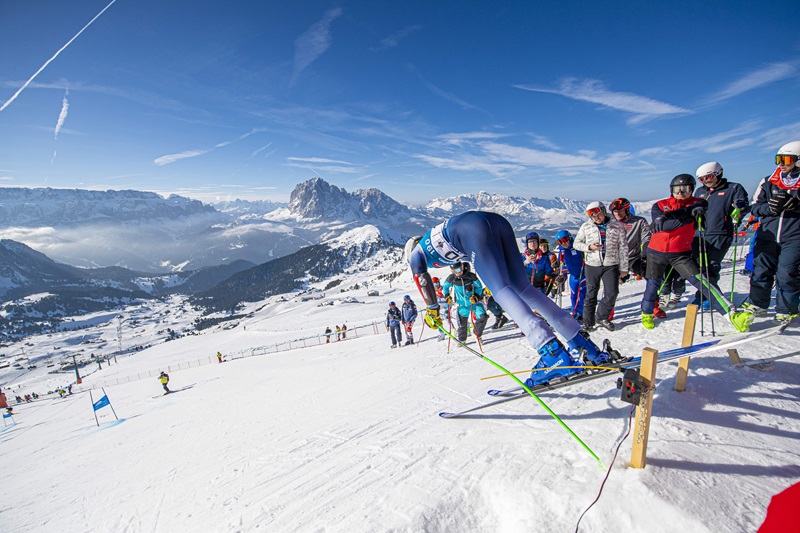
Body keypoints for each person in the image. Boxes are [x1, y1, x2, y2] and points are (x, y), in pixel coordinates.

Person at [404, 211, 620, 388]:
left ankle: (551, 352)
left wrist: (432, 309)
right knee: (524, 288)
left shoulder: (417, 251)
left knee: (500, 290)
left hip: (475, 230)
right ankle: (582, 344)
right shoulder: (434, 239)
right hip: (497, 223)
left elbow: (420, 277)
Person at [641, 174, 753, 331]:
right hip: (656, 252)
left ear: (692, 189)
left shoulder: (699, 202)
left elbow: (673, 219)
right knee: (653, 285)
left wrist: (673, 217)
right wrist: (688, 217)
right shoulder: (660, 205)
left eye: (685, 189)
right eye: (677, 189)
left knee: (703, 282)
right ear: (671, 190)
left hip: (680, 253)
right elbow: (662, 226)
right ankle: (646, 314)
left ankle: (732, 315)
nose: (680, 192)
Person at [744, 141, 800, 323]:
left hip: (794, 235)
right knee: (761, 269)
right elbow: (754, 207)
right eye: (778, 159)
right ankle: (758, 304)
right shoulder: (769, 181)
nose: (781, 164)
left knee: (786, 272)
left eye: (786, 159)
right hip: (768, 233)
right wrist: (770, 209)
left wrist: (795, 204)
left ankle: (786, 308)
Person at [691, 161, 750, 308]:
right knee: (698, 267)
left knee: (711, 266)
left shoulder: (733, 188)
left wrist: (739, 208)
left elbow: (743, 205)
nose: (706, 181)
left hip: (720, 232)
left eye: (708, 177)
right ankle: (703, 293)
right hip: (700, 233)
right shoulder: (700, 192)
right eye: (702, 179)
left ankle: (708, 296)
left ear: (718, 173)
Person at [573, 201, 629, 331]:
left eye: (598, 213)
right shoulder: (586, 226)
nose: (596, 217)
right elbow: (576, 243)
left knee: (612, 292)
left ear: (604, 211)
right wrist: (589, 247)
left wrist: (624, 268)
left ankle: (602, 316)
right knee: (591, 294)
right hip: (592, 265)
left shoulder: (616, 226)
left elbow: (623, 247)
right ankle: (588, 322)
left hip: (611, 264)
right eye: (592, 215)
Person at [442, 262, 489, 344]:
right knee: (462, 325)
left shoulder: (470, 276)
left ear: (463, 267)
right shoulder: (452, 278)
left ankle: (477, 334)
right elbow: (445, 287)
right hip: (462, 305)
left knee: (483, 316)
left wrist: (476, 296)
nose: (459, 272)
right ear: (452, 271)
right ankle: (462, 340)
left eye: (460, 269)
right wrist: (447, 296)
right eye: (456, 271)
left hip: (474, 303)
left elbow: (479, 287)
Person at [554, 229, 586, 322]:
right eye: (561, 241)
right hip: (573, 276)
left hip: (583, 274)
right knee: (573, 295)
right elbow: (562, 264)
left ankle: (580, 314)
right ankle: (575, 312)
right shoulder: (562, 251)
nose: (564, 243)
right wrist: (562, 276)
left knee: (581, 295)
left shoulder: (577, 246)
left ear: (570, 238)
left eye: (566, 239)